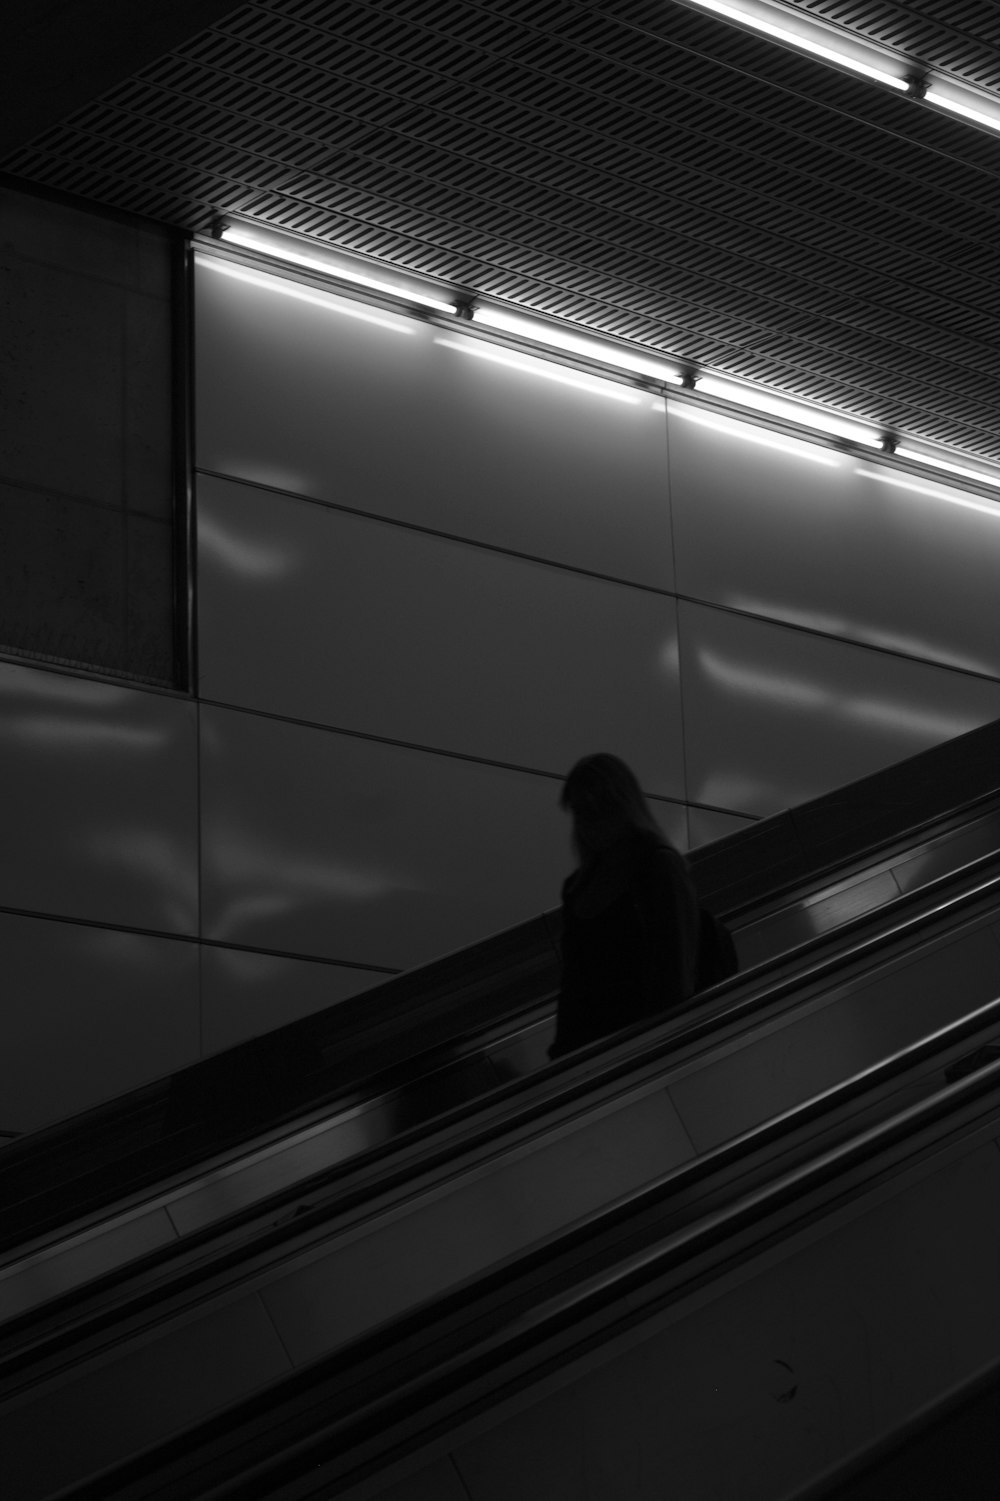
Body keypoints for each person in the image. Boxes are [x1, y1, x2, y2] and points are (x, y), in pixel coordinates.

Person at [549, 753, 702, 1058]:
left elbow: (674, 970)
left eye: (593, 811)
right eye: (580, 813)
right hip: (606, 1046)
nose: (586, 825)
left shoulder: (656, 869)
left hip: (641, 1045)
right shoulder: (581, 885)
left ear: (618, 806)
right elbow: (574, 984)